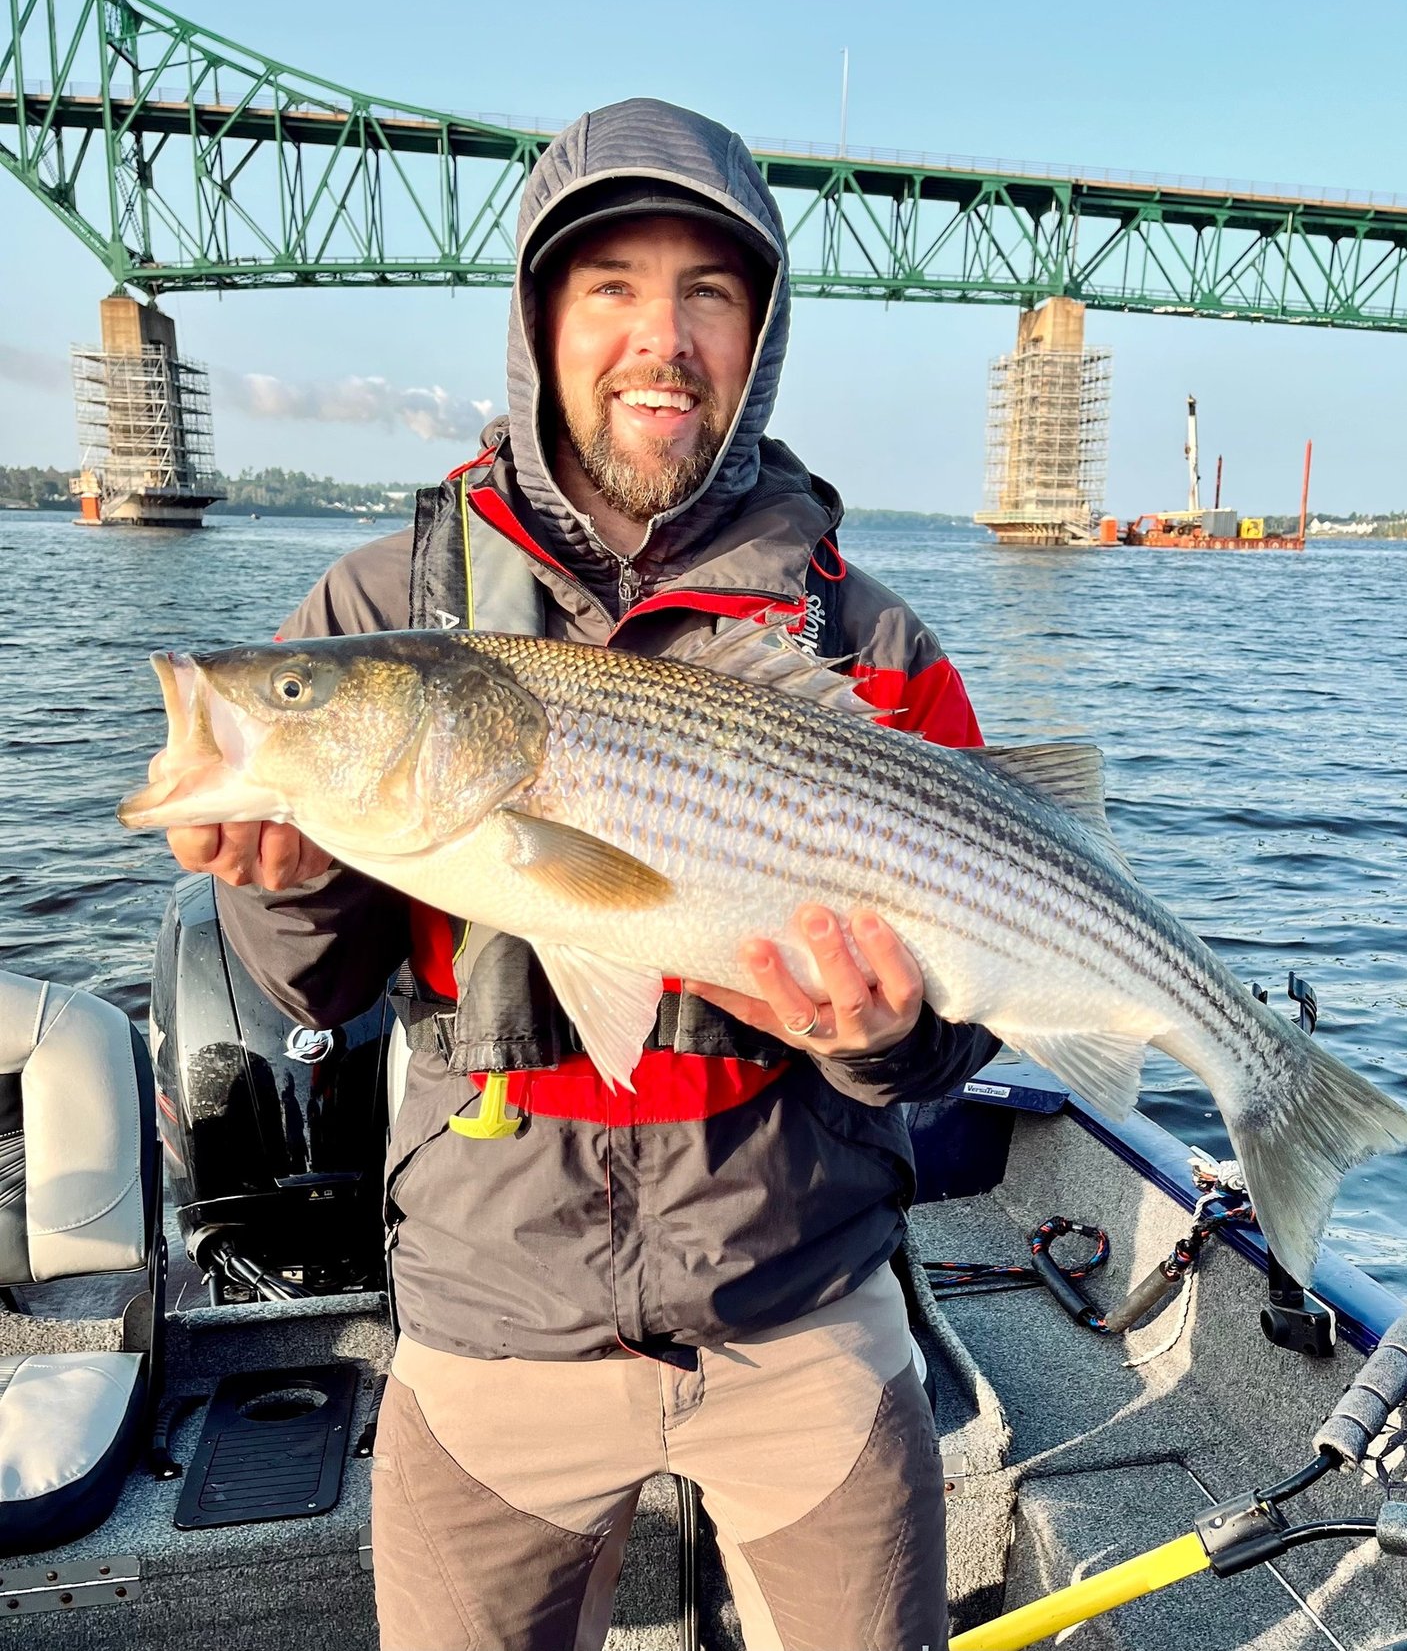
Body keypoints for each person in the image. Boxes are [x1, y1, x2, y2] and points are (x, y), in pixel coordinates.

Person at [170, 97, 995, 1651]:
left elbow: (967, 1038)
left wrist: (896, 1039)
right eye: (609, 283)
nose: (656, 337)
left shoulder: (873, 648)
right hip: (494, 1316)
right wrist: (281, 870)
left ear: (758, 338)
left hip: (800, 1308)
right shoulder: (381, 607)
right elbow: (312, 983)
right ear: (542, 319)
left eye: (707, 293)